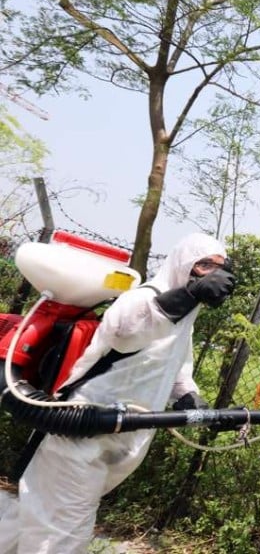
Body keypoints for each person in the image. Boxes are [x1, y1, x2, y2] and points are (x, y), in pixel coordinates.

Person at [0, 232, 235, 554]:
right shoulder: (144, 298)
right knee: (63, 531)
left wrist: (192, 400)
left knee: (37, 512)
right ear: (183, 264)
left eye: (219, 268)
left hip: (120, 438)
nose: (211, 274)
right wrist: (188, 295)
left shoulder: (184, 320)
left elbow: (175, 367)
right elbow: (124, 333)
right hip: (81, 432)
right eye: (204, 265)